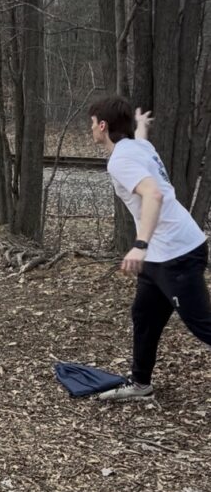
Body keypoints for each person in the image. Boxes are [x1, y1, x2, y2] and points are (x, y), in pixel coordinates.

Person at [89, 96, 211, 400]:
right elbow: (140, 140)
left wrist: (139, 245)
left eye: (92, 123)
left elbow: (153, 195)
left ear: (102, 126)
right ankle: (141, 383)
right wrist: (141, 125)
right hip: (162, 254)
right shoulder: (137, 146)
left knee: (202, 325)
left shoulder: (120, 160)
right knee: (144, 314)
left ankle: (141, 381)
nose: (91, 129)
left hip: (176, 253)